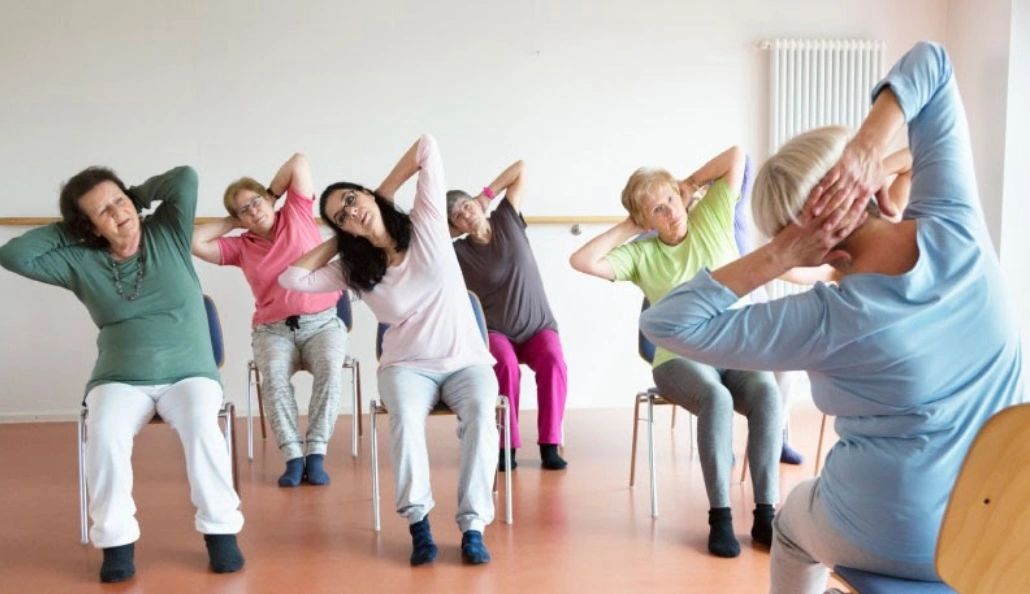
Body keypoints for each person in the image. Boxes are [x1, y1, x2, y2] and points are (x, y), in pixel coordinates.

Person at [639, 42, 1024, 593]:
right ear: (862, 182)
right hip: (1011, 515)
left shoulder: (825, 320)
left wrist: (778, 257)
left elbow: (667, 325)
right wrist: (870, 146)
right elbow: (933, 65)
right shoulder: (955, 225)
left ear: (805, 244)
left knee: (793, 524)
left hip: (903, 531)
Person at [0, 166, 245, 583]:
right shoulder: (80, 261)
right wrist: (71, 230)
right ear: (89, 226)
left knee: (204, 427)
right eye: (102, 212)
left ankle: (221, 533)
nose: (118, 213)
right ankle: (116, 542)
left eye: (119, 201)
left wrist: (133, 193)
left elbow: (184, 178)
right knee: (106, 431)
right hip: (119, 378)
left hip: (190, 374)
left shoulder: (167, 230)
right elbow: (12, 254)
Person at [278, 134, 499, 566]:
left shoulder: (428, 222)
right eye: (340, 216)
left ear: (365, 192)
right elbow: (292, 279)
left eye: (351, 199)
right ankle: (419, 524)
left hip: (466, 361)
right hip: (406, 367)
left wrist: (382, 194)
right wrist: (341, 240)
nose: (351, 211)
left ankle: (473, 527)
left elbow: (427, 147)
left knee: (481, 415)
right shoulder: (352, 268)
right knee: (406, 419)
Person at [570, 146, 782, 558]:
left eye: (669, 199)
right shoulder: (641, 253)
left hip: (734, 351)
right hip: (678, 360)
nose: (669, 211)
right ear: (644, 221)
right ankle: (720, 517)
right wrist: (628, 228)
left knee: (768, 395)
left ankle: (765, 515)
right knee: (716, 399)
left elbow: (736, 155)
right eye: (655, 211)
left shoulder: (712, 216)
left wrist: (689, 184)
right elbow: (582, 259)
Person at [192, 154, 347, 487]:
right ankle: (293, 456)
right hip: (273, 330)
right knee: (274, 380)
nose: (253, 211)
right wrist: (233, 222)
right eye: (243, 210)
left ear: (268, 198)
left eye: (256, 202)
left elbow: (300, 163)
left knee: (331, 369)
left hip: (322, 323)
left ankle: (316, 452)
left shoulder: (296, 214)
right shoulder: (240, 247)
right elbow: (195, 242)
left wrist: (274, 197)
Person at [447, 160, 568, 471]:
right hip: (498, 332)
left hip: (538, 326)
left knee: (554, 360)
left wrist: (486, 196)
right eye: (456, 216)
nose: (464, 214)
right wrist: (448, 229)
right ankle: (505, 447)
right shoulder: (458, 253)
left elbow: (521, 169)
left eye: (465, 206)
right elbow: (423, 239)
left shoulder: (506, 219)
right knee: (506, 367)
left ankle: (550, 444)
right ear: (454, 226)